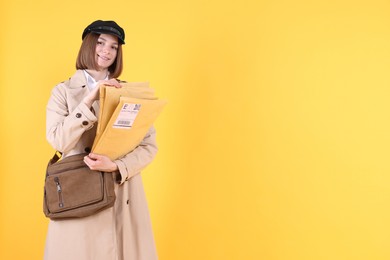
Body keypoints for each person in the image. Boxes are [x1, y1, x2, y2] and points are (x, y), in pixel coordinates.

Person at [45, 20, 158, 260]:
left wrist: (117, 166)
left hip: (122, 190)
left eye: (114, 46)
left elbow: (148, 145)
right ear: (88, 45)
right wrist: (88, 99)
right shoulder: (63, 92)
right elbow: (58, 141)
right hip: (80, 192)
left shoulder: (129, 92)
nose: (107, 50)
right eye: (100, 42)